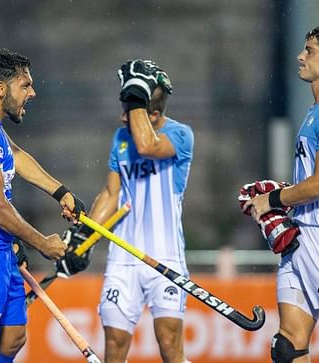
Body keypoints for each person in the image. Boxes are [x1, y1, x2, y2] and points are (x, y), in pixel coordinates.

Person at [0, 48, 85, 363]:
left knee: (12, 338)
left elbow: (16, 155)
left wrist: (60, 191)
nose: (32, 92)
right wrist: (42, 244)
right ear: (1, 88)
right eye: (25, 86)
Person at [66, 59, 193, 363]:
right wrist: (85, 237)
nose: (123, 116)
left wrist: (137, 93)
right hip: (124, 259)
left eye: (130, 108)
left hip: (166, 256)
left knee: (169, 344)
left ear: (152, 113)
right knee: (115, 345)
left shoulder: (181, 135)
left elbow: (148, 145)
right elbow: (111, 193)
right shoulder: (120, 139)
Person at [243, 27, 319, 363]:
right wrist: (286, 192)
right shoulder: (313, 111)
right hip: (301, 237)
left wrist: (273, 200)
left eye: (311, 51)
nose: (300, 56)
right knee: (288, 346)